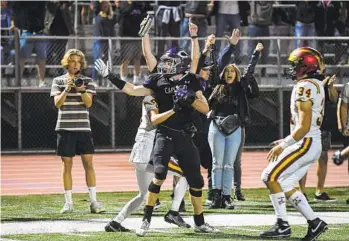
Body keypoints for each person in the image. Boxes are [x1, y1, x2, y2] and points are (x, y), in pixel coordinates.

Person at [95, 49, 219, 236]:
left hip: (183, 137)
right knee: (160, 175)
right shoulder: (156, 83)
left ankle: (196, 221)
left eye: (169, 62)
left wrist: (190, 98)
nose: (165, 66)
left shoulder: (192, 80)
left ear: (180, 63)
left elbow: (205, 107)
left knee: (194, 180)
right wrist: (110, 76)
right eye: (165, 62)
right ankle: (149, 219)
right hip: (161, 136)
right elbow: (132, 90)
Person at [260, 47, 328, 240]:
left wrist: (285, 144)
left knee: (269, 176)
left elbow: (304, 125)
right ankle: (315, 223)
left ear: (305, 66)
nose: (292, 68)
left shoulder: (304, 86)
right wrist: (287, 141)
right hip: (309, 142)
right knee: (286, 182)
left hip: (305, 142)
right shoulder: (314, 84)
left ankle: (282, 225)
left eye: (295, 64)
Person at [105, 95, 190, 232]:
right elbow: (155, 120)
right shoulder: (151, 98)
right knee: (185, 172)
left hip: (143, 151)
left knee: (143, 194)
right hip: (146, 151)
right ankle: (173, 212)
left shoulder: (157, 98)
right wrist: (174, 110)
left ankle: (115, 222)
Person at [207, 40, 262, 209]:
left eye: (233, 71)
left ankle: (226, 196)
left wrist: (256, 54)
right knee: (217, 163)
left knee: (229, 164)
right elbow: (216, 66)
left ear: (236, 75)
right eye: (227, 71)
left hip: (235, 129)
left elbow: (250, 70)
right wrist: (212, 48)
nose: (230, 73)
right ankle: (216, 196)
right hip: (216, 127)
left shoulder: (240, 87)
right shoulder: (218, 85)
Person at [50, 49, 104, 214]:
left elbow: (88, 104)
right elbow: (58, 103)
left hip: (83, 128)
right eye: (72, 61)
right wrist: (66, 89)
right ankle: (68, 203)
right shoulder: (58, 81)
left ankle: (94, 202)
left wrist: (81, 89)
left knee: (88, 164)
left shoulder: (88, 81)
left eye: (78, 61)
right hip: (65, 128)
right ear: (67, 63)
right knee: (67, 165)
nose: (75, 64)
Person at [298, 74, 338, 202]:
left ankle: (319, 191)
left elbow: (334, 99)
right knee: (304, 159)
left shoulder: (324, 82)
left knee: (323, 158)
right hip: (308, 127)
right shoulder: (306, 82)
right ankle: (301, 191)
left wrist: (330, 86)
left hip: (323, 126)